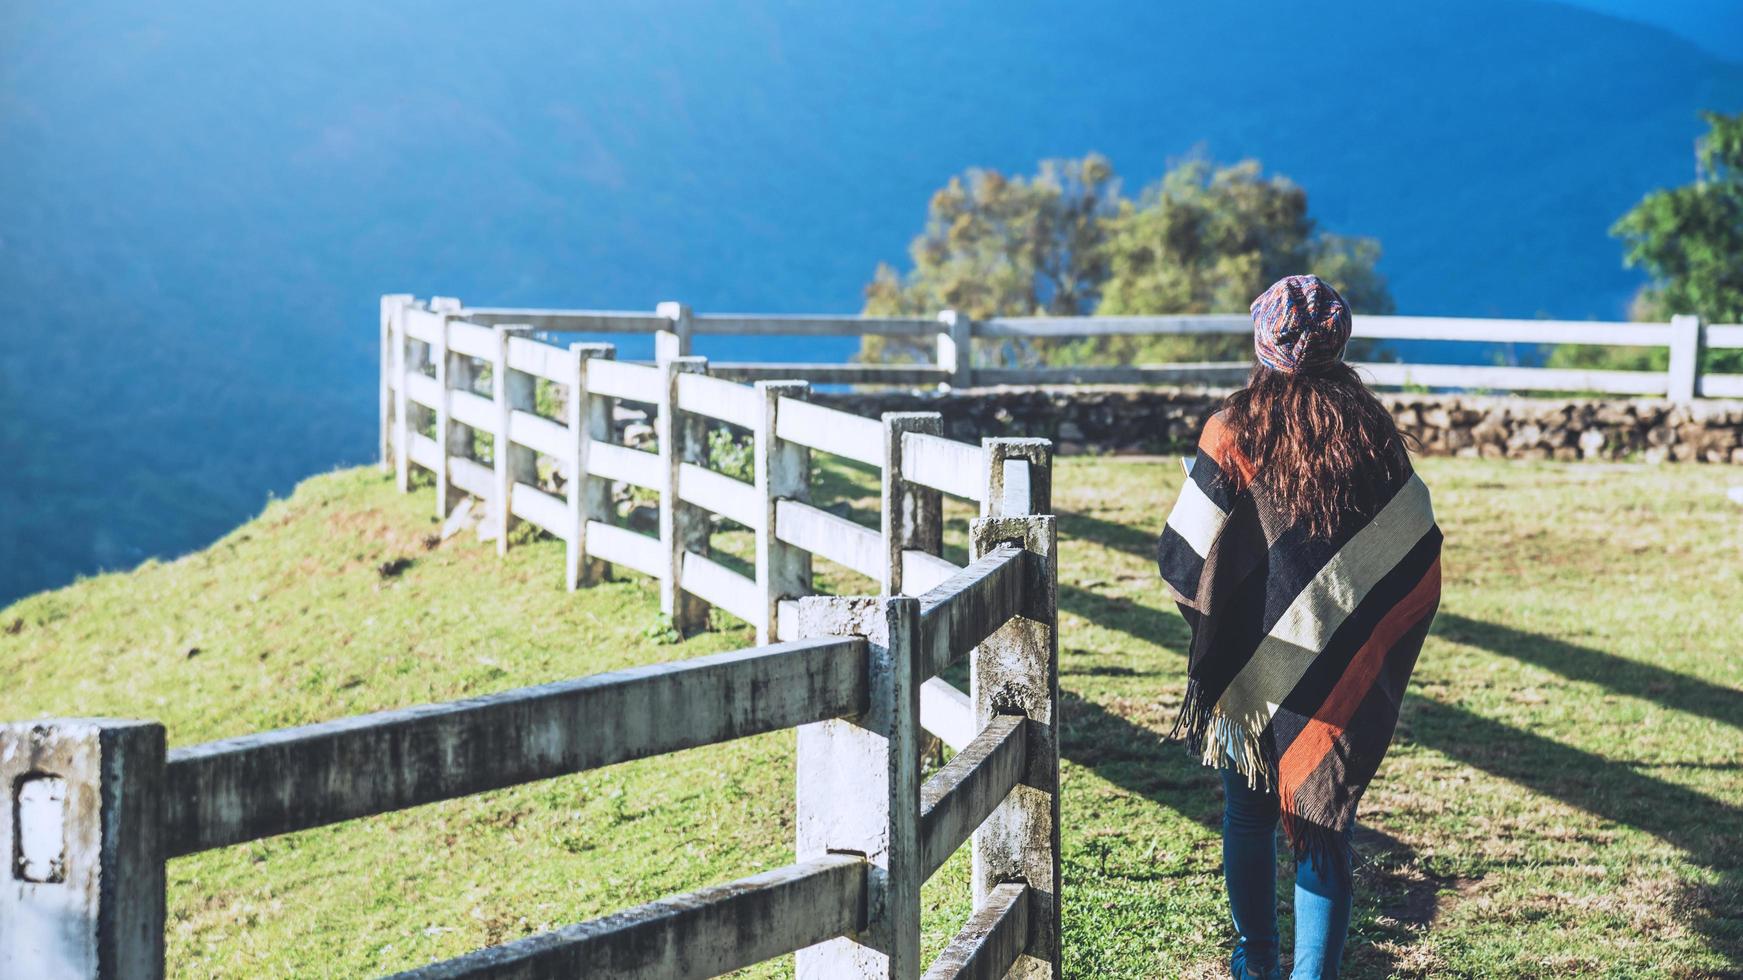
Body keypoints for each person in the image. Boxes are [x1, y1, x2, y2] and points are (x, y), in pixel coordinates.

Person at [1156, 275, 1443, 979]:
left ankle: (1255, 964)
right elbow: (1414, 551)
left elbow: (1180, 555)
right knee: (1322, 826)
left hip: (1251, 668)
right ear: (1338, 342)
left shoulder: (1232, 430)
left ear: (1262, 342)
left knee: (1248, 815)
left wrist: (1226, 626)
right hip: (1336, 661)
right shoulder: (1372, 434)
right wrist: (1358, 637)